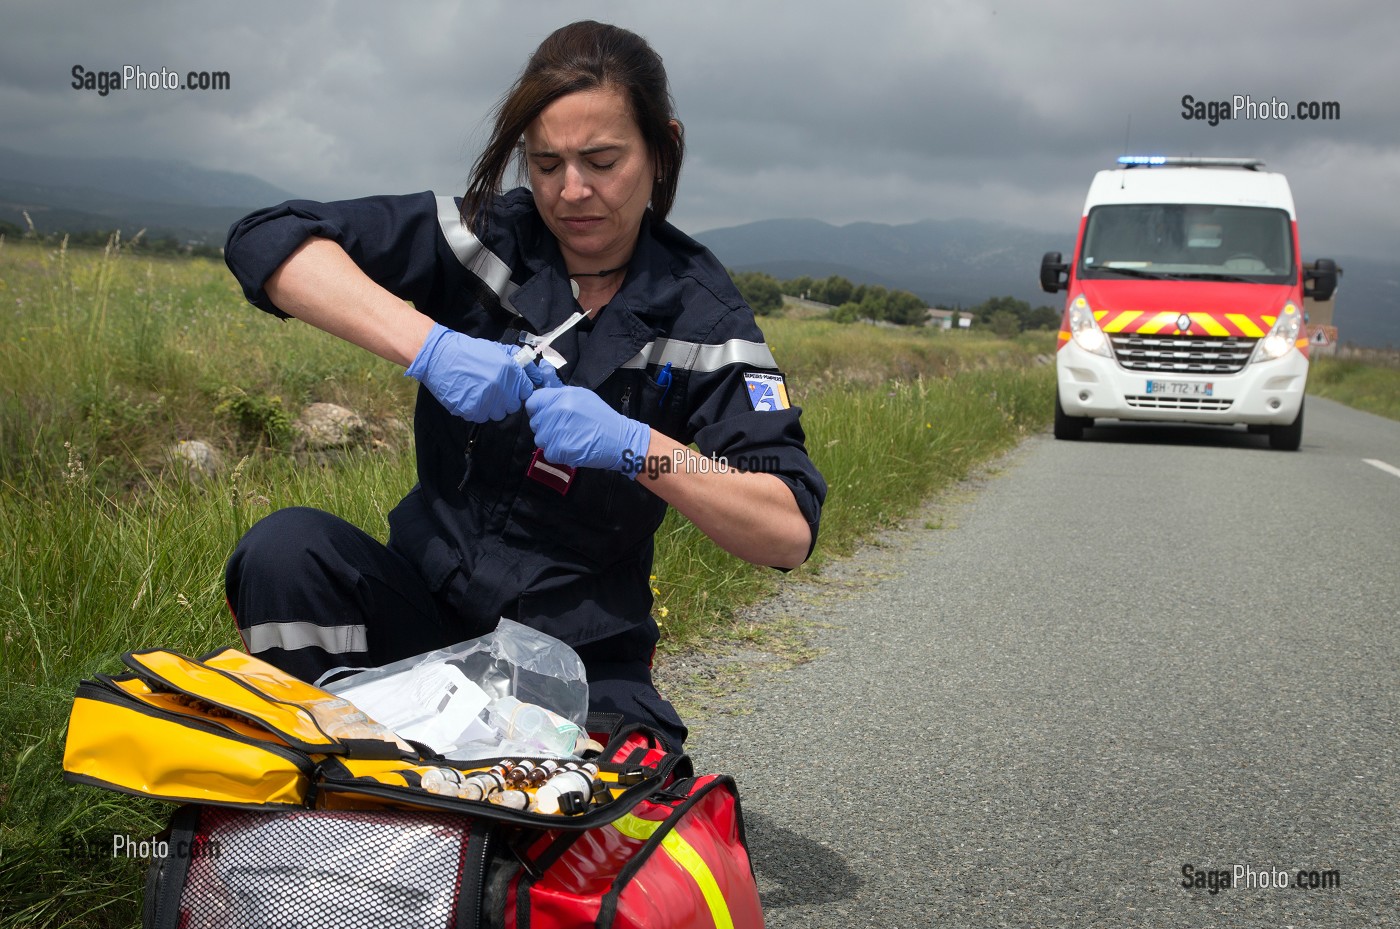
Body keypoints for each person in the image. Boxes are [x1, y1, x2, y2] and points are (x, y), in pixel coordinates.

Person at [222, 20, 826, 750]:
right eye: (546, 164)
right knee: (287, 550)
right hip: (420, 620)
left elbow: (787, 529)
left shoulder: (705, 320)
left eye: (602, 160)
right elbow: (268, 238)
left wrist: (642, 449)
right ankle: (318, 786)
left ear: (662, 149)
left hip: (577, 662)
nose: (572, 192)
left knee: (612, 813)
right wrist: (433, 347)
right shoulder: (487, 242)